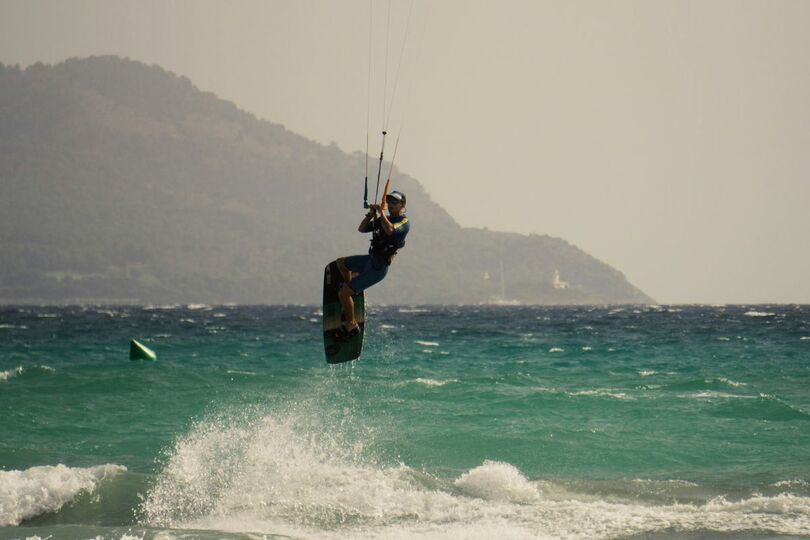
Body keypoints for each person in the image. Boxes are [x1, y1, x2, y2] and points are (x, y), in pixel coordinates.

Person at [334, 190, 410, 339]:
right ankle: (351, 291)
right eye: (389, 202)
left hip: (378, 269)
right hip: (370, 260)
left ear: (402, 205)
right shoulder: (384, 219)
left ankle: (351, 325)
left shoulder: (404, 222)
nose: (391, 205)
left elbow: (390, 230)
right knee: (341, 263)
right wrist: (370, 214)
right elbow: (361, 229)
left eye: (395, 202)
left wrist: (381, 213)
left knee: (343, 293)